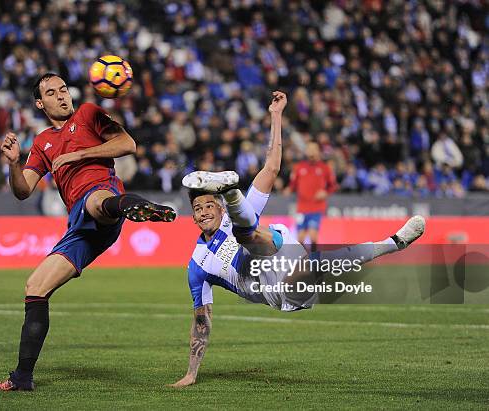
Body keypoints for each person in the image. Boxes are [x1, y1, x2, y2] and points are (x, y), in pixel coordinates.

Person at [169, 91, 425, 387]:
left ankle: (395, 241)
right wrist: (191, 373)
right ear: (195, 216)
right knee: (254, 240)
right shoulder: (197, 265)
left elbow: (272, 168)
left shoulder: (231, 221)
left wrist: (276, 116)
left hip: (280, 248)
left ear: (220, 208)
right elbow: (202, 320)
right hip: (277, 288)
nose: (202, 213)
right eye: (197, 209)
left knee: (247, 233)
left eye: (207, 205)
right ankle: (394, 244)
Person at [0, 73, 176, 391]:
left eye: (64, 89)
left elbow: (127, 144)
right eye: (52, 92)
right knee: (35, 286)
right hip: (80, 226)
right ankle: (22, 378)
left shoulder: (88, 114)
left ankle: (136, 206)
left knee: (95, 201)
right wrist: (14, 163)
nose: (62, 95)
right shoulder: (42, 143)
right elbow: (23, 191)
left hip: (100, 195)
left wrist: (80, 154)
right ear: (40, 103)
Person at [285, 142, 337, 251]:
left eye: (314, 149)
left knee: (313, 237)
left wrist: (325, 192)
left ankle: (314, 259)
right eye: (309, 149)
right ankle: (305, 259)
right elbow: (292, 184)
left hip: (316, 208)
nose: (311, 151)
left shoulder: (324, 168)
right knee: (300, 239)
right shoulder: (299, 168)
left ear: (318, 151)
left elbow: (333, 186)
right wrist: (288, 189)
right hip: (302, 208)